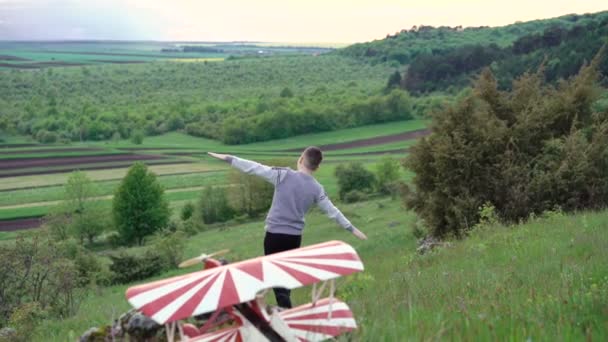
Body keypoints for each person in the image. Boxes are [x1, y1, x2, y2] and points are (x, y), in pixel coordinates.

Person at [207, 147, 367, 309]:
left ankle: (286, 316)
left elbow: (254, 168)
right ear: (317, 167)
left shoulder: (283, 175)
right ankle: (284, 312)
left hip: (274, 236)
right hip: (294, 239)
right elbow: (333, 212)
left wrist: (228, 158)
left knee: (276, 281)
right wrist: (352, 229)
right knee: (284, 280)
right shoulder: (317, 189)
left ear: (301, 159)